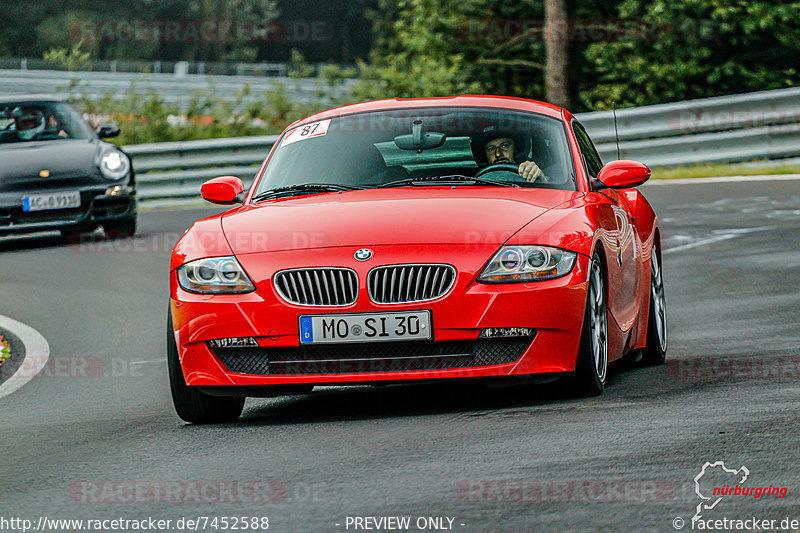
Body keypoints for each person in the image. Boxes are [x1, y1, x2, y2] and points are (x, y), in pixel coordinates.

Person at [484, 136, 550, 183]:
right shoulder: (475, 181)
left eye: (505, 146)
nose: (498, 154)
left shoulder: (527, 170)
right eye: (491, 149)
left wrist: (541, 180)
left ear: (515, 149)